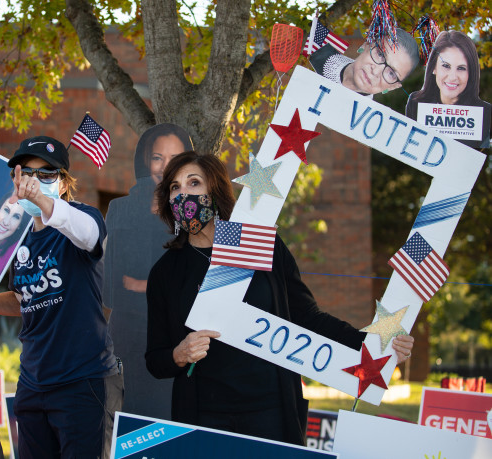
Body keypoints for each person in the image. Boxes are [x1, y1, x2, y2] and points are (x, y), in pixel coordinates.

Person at [145, 151, 414, 445]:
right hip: (205, 415)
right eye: (174, 187)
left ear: (215, 190)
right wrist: (179, 354)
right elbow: (155, 359)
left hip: (271, 411)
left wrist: (373, 343)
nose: (183, 194)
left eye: (193, 183)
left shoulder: (259, 245)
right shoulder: (165, 272)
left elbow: (307, 316)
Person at [0, 135, 123, 458]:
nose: (34, 183)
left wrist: (46, 204)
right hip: (32, 384)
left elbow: (89, 234)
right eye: (27, 174)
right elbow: (24, 300)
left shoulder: (82, 219)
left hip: (84, 381)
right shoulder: (18, 240)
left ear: (63, 184)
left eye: (46, 175)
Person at [103, 123, 193, 419]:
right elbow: (112, 285)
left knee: (171, 423)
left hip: (177, 340)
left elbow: (193, 281)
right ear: (145, 159)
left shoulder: (197, 214)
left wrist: (142, 285)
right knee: (128, 423)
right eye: (158, 157)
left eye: (174, 157)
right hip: (127, 339)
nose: (165, 167)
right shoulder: (120, 209)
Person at [406, 30, 491, 149]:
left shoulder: (485, 112)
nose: (452, 77)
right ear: (433, 68)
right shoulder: (415, 103)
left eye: (461, 68)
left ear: (471, 73)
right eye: (446, 66)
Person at [310, 28, 420, 96]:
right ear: (367, 44)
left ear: (393, 86)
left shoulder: (364, 130)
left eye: (391, 73)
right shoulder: (315, 50)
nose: (376, 71)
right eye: (380, 54)